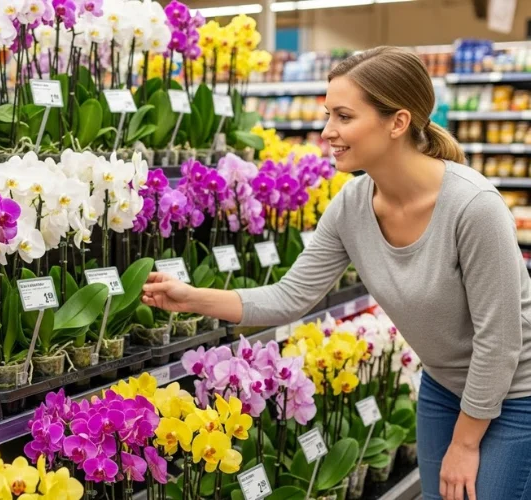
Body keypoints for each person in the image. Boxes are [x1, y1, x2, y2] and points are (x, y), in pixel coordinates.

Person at [142, 46, 531, 500]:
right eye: (328, 114)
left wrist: (465, 443)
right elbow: (291, 296)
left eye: (344, 117)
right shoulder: (352, 204)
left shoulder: (472, 207)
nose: (328, 131)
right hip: (444, 386)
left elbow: (500, 342)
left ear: (398, 122)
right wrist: (190, 297)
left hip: (514, 394)